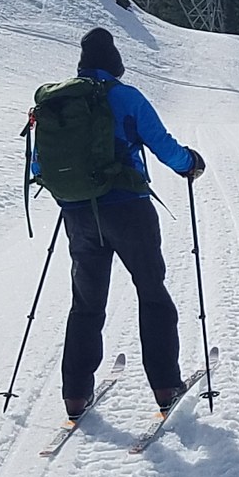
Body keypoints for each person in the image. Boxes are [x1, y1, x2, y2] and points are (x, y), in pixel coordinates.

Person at [56, 27, 206, 416]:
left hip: (78, 213)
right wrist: (190, 164)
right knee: (152, 293)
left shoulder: (61, 100)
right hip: (129, 209)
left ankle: (74, 394)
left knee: (86, 303)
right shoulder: (125, 96)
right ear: (115, 63)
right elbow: (162, 144)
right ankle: (165, 386)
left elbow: (42, 163)